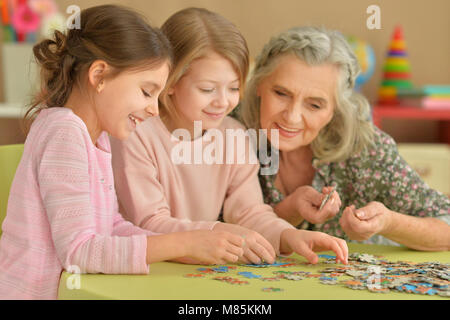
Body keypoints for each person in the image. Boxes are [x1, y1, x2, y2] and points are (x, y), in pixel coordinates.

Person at [0, 5, 246, 300]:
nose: (154, 109)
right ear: (100, 75)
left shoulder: (97, 137)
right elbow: (79, 251)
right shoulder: (64, 133)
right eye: (146, 91)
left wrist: (187, 247)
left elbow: (112, 226)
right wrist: (182, 244)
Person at [111, 8, 348, 267]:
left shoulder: (234, 135)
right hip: (143, 269)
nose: (223, 102)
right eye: (207, 89)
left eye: (234, 88)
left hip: (198, 270)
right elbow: (150, 222)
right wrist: (223, 233)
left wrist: (288, 235)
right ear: (170, 82)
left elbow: (249, 213)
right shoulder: (136, 133)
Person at [238, 26, 450, 251]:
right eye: (281, 93)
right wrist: (291, 209)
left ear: (336, 110)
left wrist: (388, 222)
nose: (292, 117)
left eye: (315, 105)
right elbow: (217, 228)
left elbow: (445, 225)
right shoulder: (229, 131)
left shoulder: (366, 149)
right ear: (259, 84)